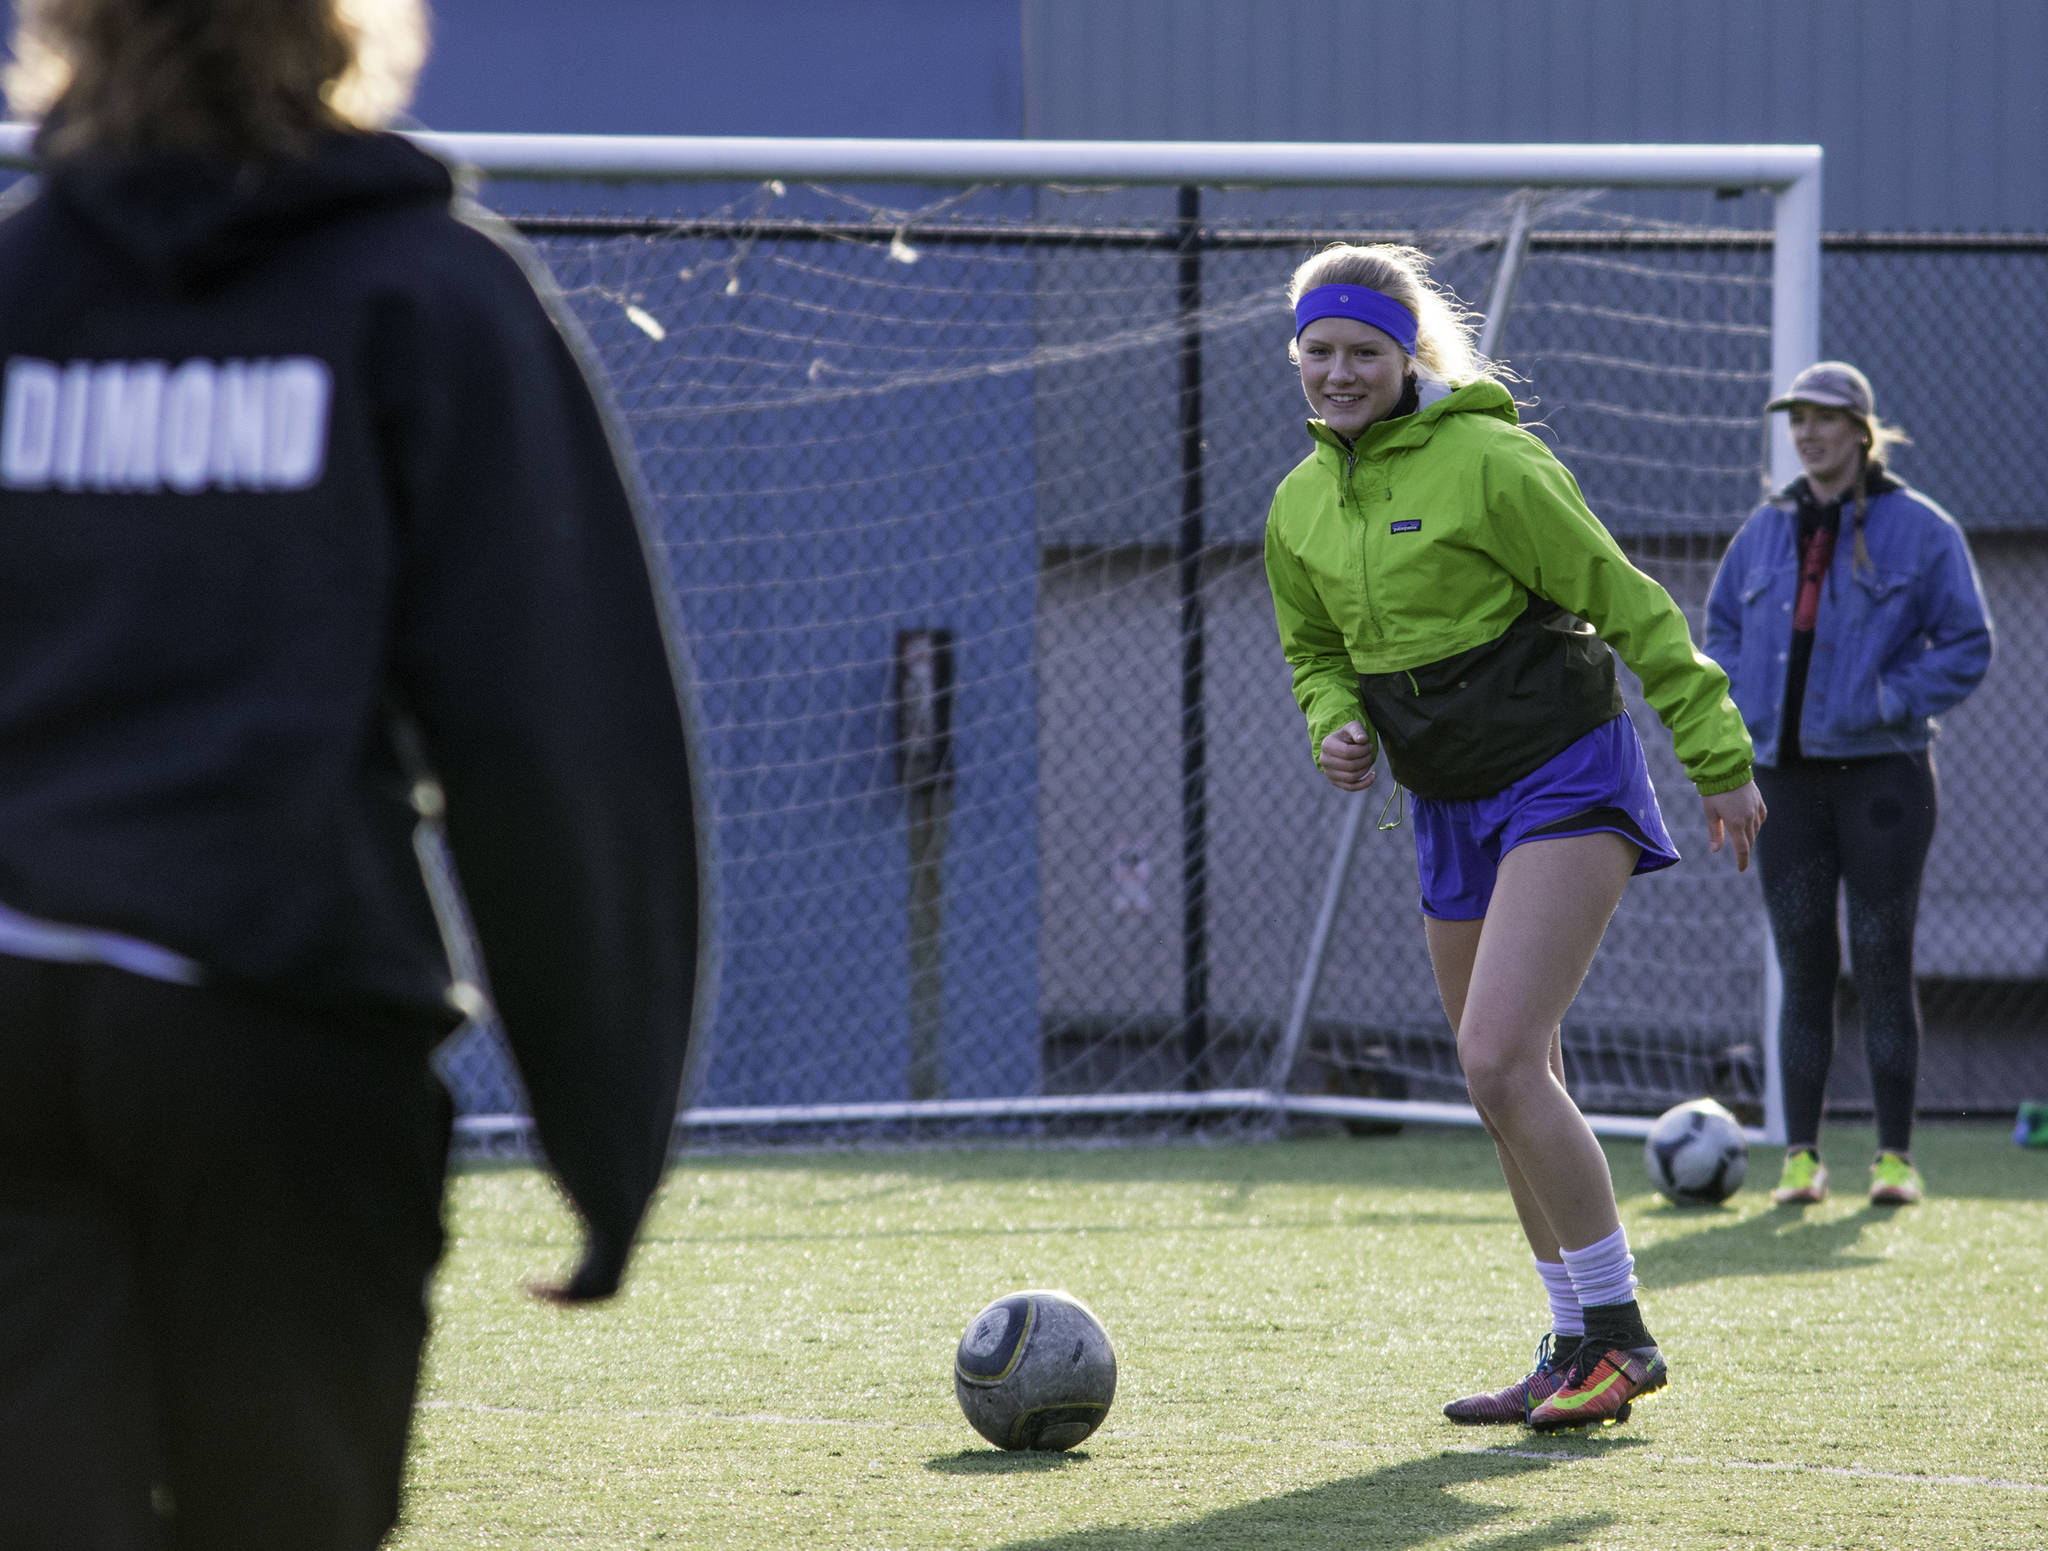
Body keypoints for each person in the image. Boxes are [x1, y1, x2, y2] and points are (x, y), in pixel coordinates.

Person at [0, 2, 702, 1547]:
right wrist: (607, 1137)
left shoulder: (15, 289)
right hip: (271, 1033)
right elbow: (555, 734)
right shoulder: (430, 294)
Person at [1263, 244, 1765, 1432]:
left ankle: (1623, 1341)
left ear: (1405, 357)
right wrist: (1335, 726)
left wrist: (1719, 759)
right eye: (1319, 352)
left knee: (1493, 1057)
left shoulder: (1489, 459)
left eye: (1363, 352)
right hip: (1446, 805)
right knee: (1509, 1083)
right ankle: (1568, 1343)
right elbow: (1313, 652)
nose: (1339, 372)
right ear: (1299, 358)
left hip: (1562, 775)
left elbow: (1627, 598)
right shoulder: (1293, 508)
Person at [1705, 362, 1991, 1210]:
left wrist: (1885, 700)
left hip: (1883, 784)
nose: (1809, 433)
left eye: (1827, 419)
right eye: (1798, 419)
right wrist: (1741, 721)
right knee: (1803, 964)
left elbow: (1966, 644)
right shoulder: (1763, 529)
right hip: (1782, 785)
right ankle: (1801, 1159)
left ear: (1862, 429)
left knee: (1881, 957)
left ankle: (1894, 1158)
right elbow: (1719, 632)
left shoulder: (1923, 529)